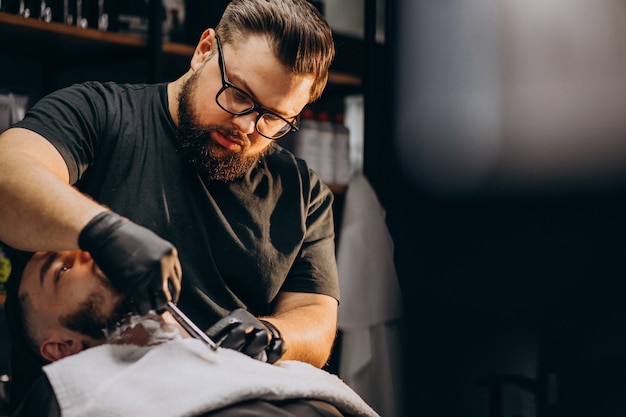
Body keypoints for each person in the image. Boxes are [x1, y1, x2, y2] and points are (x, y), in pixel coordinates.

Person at [0, 0, 339, 410]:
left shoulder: (302, 192)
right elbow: (8, 173)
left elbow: (315, 317)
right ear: (204, 50)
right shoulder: (98, 115)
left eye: (273, 118)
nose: (247, 127)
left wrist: (272, 334)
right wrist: (105, 232)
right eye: (238, 95)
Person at [7, 249, 378, 417]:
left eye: (82, 248)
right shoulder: (65, 392)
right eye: (62, 270)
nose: (87, 254)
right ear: (61, 349)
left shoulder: (253, 365)